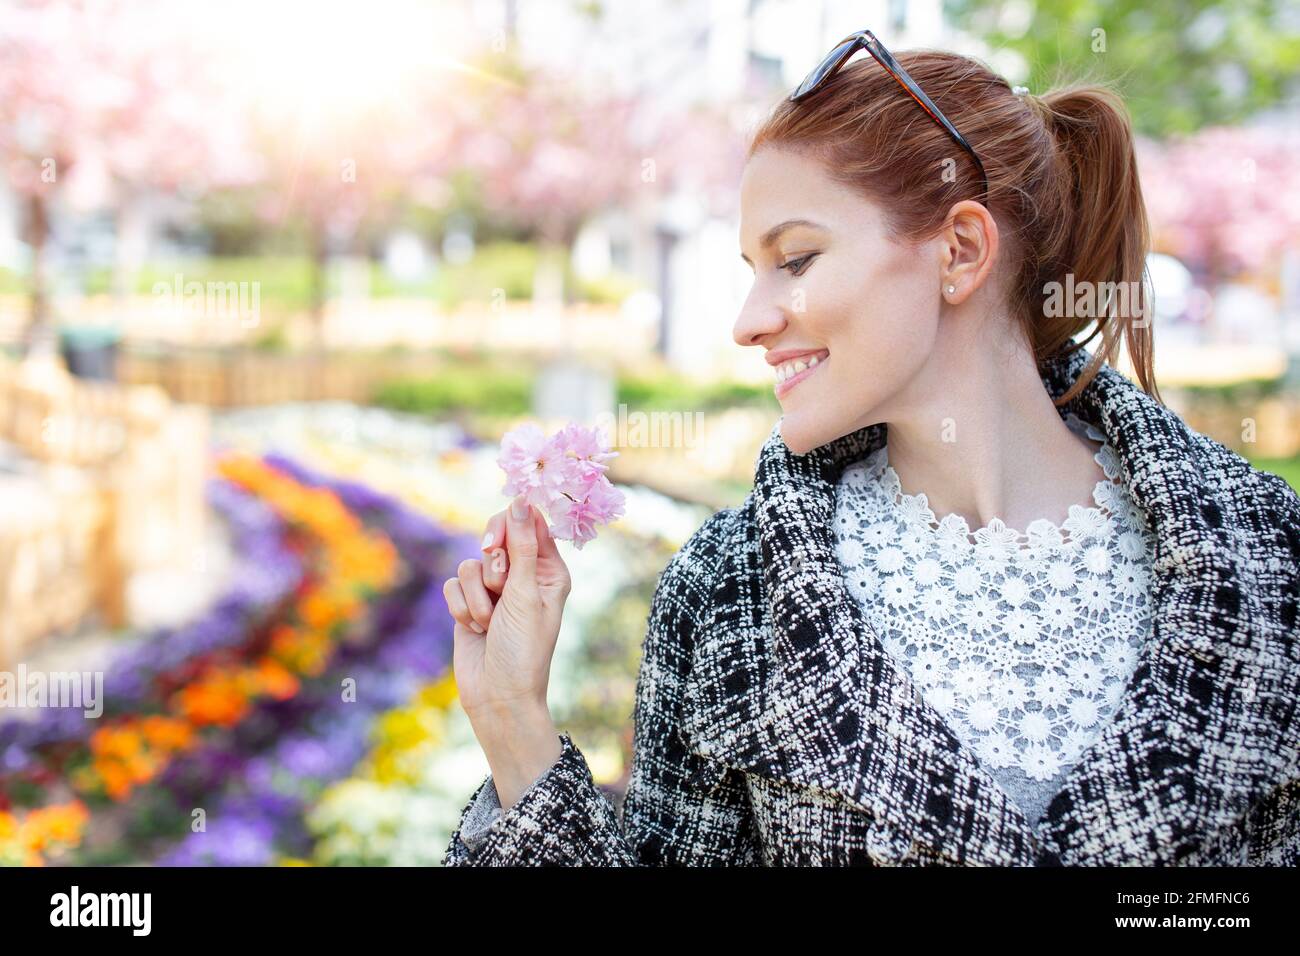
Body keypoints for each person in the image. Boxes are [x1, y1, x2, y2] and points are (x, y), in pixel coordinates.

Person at [439, 37, 1300, 866]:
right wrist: (513, 718)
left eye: (796, 258)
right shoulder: (728, 596)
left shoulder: (1270, 558)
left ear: (958, 251)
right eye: (751, 268)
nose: (747, 321)